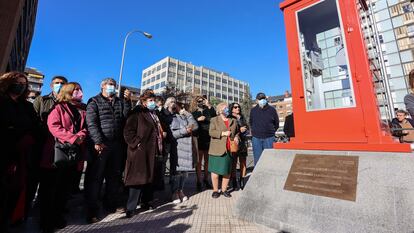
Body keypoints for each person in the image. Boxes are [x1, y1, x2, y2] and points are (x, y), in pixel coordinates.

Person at [84, 78, 131, 223]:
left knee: (114, 177)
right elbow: (91, 122)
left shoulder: (119, 101)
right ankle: (92, 210)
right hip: (101, 145)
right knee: (96, 177)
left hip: (116, 145)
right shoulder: (94, 101)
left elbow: (125, 117)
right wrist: (97, 141)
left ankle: (110, 204)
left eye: (114, 85)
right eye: (110, 85)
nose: (112, 87)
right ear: (103, 86)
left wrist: (127, 101)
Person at [43, 82, 88, 232]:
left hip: (73, 154)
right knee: (52, 189)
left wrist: (80, 136)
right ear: (68, 92)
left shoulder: (82, 109)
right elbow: (54, 126)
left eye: (80, 89)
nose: (79, 92)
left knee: (64, 188)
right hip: (58, 153)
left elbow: (84, 128)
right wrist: (72, 137)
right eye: (75, 90)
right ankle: (47, 221)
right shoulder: (58, 107)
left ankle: (58, 215)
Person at [0, 72, 39, 232]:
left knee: (16, 191)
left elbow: (35, 127)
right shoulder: (2, 101)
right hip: (3, 151)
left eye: (24, 83)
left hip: (21, 154)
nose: (21, 85)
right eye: (17, 82)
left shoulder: (27, 106)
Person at [123, 90, 163, 218]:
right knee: (137, 180)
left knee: (148, 178)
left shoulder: (154, 114)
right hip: (140, 151)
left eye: (154, 100)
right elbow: (128, 131)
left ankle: (146, 202)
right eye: (150, 100)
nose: (153, 103)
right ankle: (131, 207)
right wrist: (136, 143)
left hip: (153, 150)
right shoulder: (137, 112)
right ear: (144, 102)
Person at [32, 76, 68, 218]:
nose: (59, 85)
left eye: (62, 83)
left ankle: (50, 209)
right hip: (42, 143)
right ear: (51, 85)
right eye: (57, 83)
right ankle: (35, 205)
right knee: (37, 177)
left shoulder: (67, 103)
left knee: (55, 182)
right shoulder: (42, 100)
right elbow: (34, 119)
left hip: (59, 147)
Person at [208, 102, 239, 198]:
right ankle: (215, 190)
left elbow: (236, 132)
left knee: (227, 171)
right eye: (225, 108)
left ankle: (225, 190)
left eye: (227, 108)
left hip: (229, 149)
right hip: (216, 149)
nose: (227, 109)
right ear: (220, 110)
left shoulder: (233, 120)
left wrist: (237, 137)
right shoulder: (214, 120)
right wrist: (223, 133)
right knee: (215, 172)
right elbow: (211, 132)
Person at [170, 104, 198, 204]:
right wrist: (184, 130)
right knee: (176, 172)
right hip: (178, 148)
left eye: (183, 107)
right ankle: (174, 192)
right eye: (180, 107)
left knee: (184, 173)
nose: (182, 109)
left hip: (188, 149)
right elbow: (172, 134)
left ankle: (181, 190)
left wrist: (187, 114)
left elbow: (195, 126)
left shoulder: (186, 117)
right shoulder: (172, 117)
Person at [191, 95, 216, 191]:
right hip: (198, 138)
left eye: (202, 101)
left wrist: (209, 105)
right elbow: (191, 124)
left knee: (207, 161)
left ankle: (206, 179)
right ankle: (199, 181)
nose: (200, 102)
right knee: (198, 161)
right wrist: (197, 120)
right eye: (199, 101)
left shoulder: (208, 110)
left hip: (208, 138)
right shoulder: (194, 113)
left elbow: (214, 117)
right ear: (196, 102)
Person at [249, 92, 279, 165]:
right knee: (257, 159)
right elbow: (251, 122)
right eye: (260, 99)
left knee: (270, 158)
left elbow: (276, 123)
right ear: (256, 100)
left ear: (266, 99)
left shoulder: (272, 110)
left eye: (263, 98)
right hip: (256, 138)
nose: (262, 100)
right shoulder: (253, 110)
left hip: (269, 138)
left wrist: (270, 132)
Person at [228, 102, 249, 190]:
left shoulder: (242, 118)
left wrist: (245, 129)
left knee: (243, 162)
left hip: (243, 142)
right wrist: (239, 131)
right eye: (235, 107)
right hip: (234, 142)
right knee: (233, 163)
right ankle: (233, 181)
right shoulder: (229, 118)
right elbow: (228, 130)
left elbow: (247, 128)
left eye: (238, 107)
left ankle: (242, 180)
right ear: (231, 109)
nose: (238, 109)